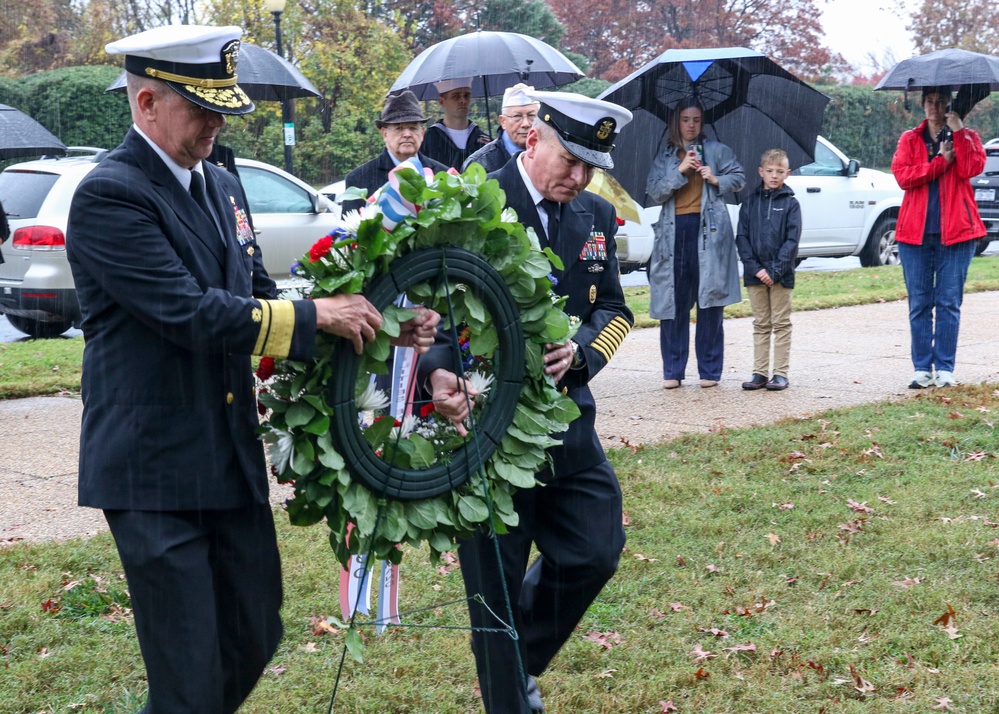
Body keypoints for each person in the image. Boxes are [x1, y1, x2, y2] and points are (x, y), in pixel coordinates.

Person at [65, 25, 437, 713]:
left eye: (223, 107)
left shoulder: (223, 184)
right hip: (153, 472)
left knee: (255, 634)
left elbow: (257, 298)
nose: (218, 122)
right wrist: (319, 315)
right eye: (201, 107)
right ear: (146, 103)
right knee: (189, 678)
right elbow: (190, 314)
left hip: (225, 460)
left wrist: (376, 323)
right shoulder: (109, 195)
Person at [424, 91, 633, 713]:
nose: (580, 177)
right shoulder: (471, 205)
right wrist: (439, 375)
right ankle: (508, 683)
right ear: (532, 137)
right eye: (571, 160)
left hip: (567, 430)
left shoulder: (593, 213)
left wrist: (585, 353)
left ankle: (515, 662)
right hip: (484, 430)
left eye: (591, 167)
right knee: (494, 588)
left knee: (595, 550)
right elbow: (426, 313)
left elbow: (614, 308)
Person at [645, 97, 745, 389]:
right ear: (677, 121)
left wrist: (715, 179)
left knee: (710, 302)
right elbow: (655, 192)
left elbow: (738, 178)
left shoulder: (716, 150)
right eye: (686, 120)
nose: (691, 125)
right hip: (674, 234)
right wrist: (680, 170)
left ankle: (709, 371)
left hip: (710, 234)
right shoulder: (665, 156)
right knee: (674, 303)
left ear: (702, 123)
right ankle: (673, 370)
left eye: (696, 120)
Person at [892, 85, 986, 389]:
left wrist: (959, 132)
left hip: (957, 234)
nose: (935, 107)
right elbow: (904, 177)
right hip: (914, 236)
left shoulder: (967, 137)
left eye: (941, 102)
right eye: (930, 101)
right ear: (922, 104)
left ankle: (944, 367)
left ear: (950, 105)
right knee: (920, 302)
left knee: (948, 302)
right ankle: (922, 368)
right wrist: (940, 162)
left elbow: (972, 168)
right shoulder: (910, 139)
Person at [735, 148, 802, 392]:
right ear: (761, 171)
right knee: (761, 323)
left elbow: (792, 242)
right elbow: (742, 238)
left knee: (781, 323)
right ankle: (759, 372)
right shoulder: (749, 203)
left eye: (780, 171)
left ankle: (780, 373)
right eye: (770, 171)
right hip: (755, 275)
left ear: (788, 173)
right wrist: (756, 269)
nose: (774, 176)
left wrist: (773, 271)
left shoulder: (791, 204)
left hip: (781, 276)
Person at [341, 90, 448, 216]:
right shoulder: (359, 179)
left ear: (422, 133)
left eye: (413, 128)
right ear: (385, 134)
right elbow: (350, 232)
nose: (407, 134)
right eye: (399, 128)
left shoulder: (442, 175)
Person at [461, 83, 539, 173]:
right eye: (517, 116)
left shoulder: (552, 155)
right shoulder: (479, 164)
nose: (525, 124)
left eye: (532, 116)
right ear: (503, 121)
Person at [420, 77, 490, 169]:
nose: (463, 101)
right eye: (456, 96)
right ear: (441, 101)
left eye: (466, 96)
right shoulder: (428, 140)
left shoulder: (483, 141)